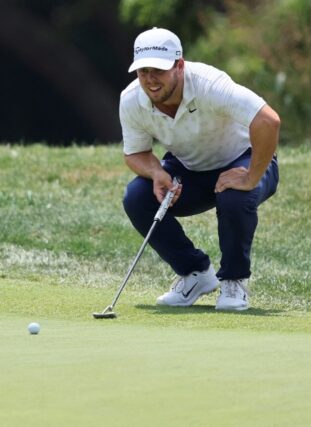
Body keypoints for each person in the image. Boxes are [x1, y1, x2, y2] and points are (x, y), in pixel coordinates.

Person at [119, 27, 280, 311]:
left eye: (158, 70)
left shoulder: (208, 84)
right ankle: (195, 273)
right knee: (137, 196)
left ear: (179, 66)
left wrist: (251, 176)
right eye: (142, 71)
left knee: (235, 196)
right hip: (190, 168)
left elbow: (268, 121)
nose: (150, 80)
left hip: (243, 158)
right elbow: (135, 153)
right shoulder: (132, 100)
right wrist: (157, 172)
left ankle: (233, 281)